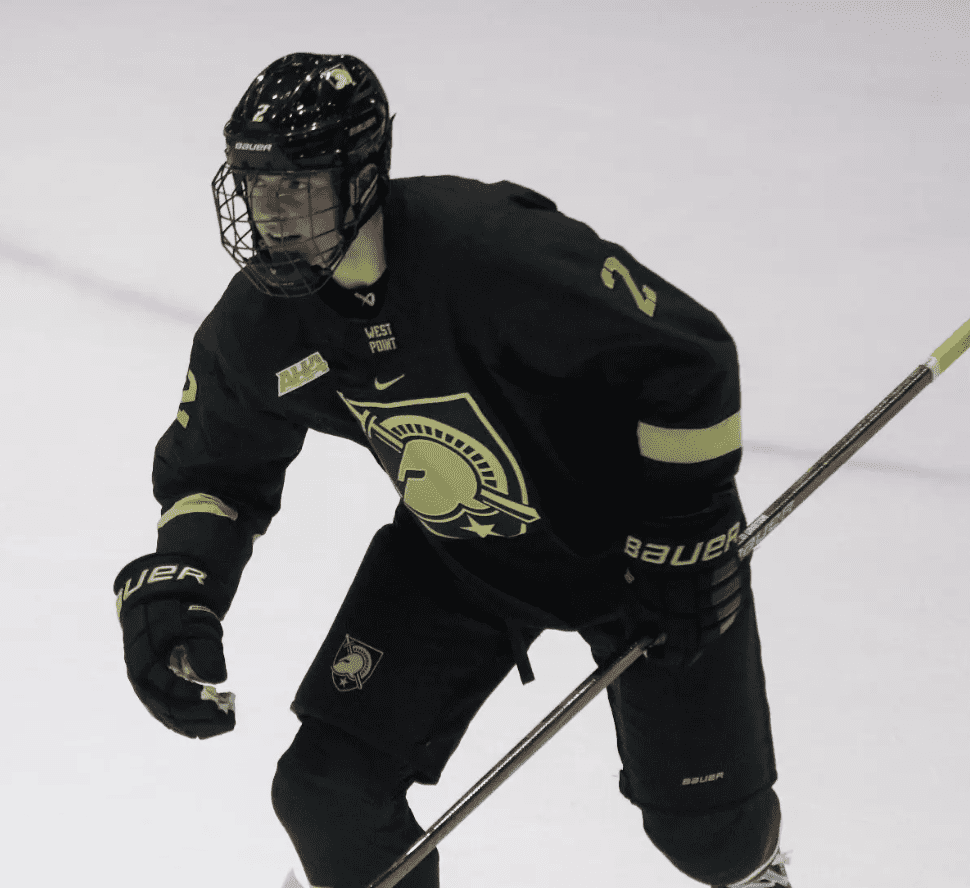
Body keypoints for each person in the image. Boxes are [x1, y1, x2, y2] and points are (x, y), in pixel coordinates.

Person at [111, 53, 790, 888]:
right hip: (460, 557)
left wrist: (688, 531)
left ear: (363, 177)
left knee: (714, 838)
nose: (271, 215)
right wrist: (181, 589)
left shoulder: (493, 251)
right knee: (326, 796)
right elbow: (213, 471)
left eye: (296, 187)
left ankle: (757, 870)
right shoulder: (261, 324)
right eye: (255, 187)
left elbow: (686, 358)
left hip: (635, 551)